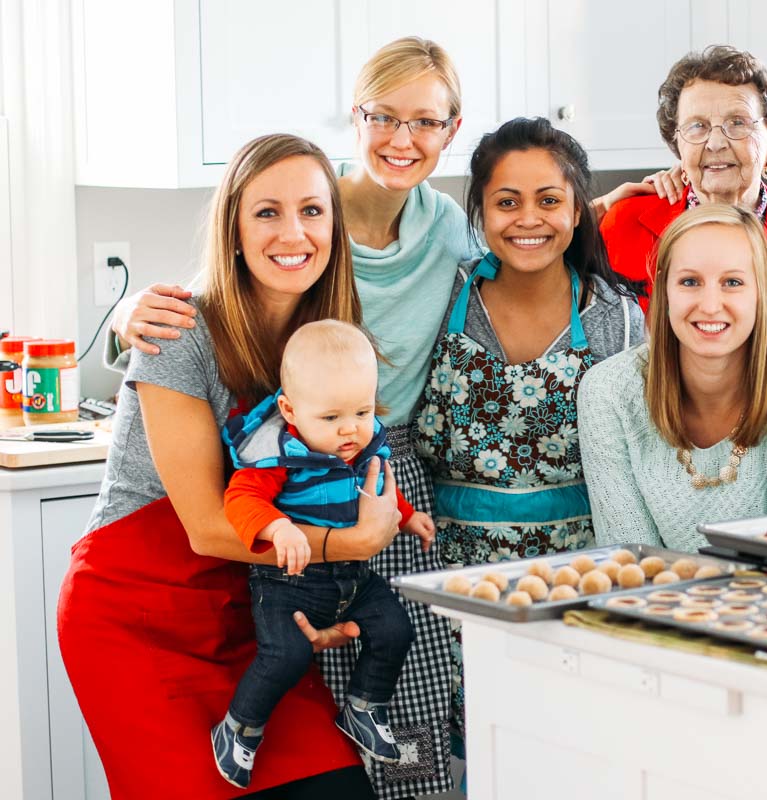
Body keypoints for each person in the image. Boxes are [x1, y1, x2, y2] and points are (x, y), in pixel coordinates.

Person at [108, 38, 478, 796]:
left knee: (366, 764)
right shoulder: (220, 295)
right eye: (384, 116)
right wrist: (126, 312)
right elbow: (208, 518)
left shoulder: (423, 244)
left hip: (306, 545)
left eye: (426, 121)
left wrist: (602, 209)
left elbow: (522, 241)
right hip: (198, 564)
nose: (295, 232)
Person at [57, 134, 401, 799]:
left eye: (312, 210)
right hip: (136, 614)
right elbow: (209, 529)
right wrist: (351, 545)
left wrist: (320, 594)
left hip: (251, 613)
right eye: (267, 212)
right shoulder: (180, 332)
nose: (293, 233)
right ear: (234, 231)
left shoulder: (328, 340)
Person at [415, 114, 645, 738]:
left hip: (575, 580)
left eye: (548, 200)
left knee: (565, 743)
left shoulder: (619, 319)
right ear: (481, 212)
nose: (528, 219)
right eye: (507, 202)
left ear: (576, 211)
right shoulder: (443, 296)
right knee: (476, 751)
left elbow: (642, 464)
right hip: (451, 579)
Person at [214, 319, 437, 788]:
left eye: (361, 411)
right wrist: (278, 527)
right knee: (286, 655)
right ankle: (239, 728)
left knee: (395, 628)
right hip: (286, 582)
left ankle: (363, 706)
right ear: (290, 410)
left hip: (352, 578)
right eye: (331, 418)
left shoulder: (361, 444)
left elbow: (376, 486)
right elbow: (241, 499)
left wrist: (407, 515)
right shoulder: (279, 451)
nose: (350, 429)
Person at [579, 204, 767, 551]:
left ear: (761, 291)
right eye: (690, 282)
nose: (710, 305)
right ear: (665, 289)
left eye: (732, 282)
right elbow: (631, 559)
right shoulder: (608, 392)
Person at [598, 45, 767, 389]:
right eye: (697, 126)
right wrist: (596, 209)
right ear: (678, 145)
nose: (715, 143)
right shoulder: (623, 223)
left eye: (737, 123)